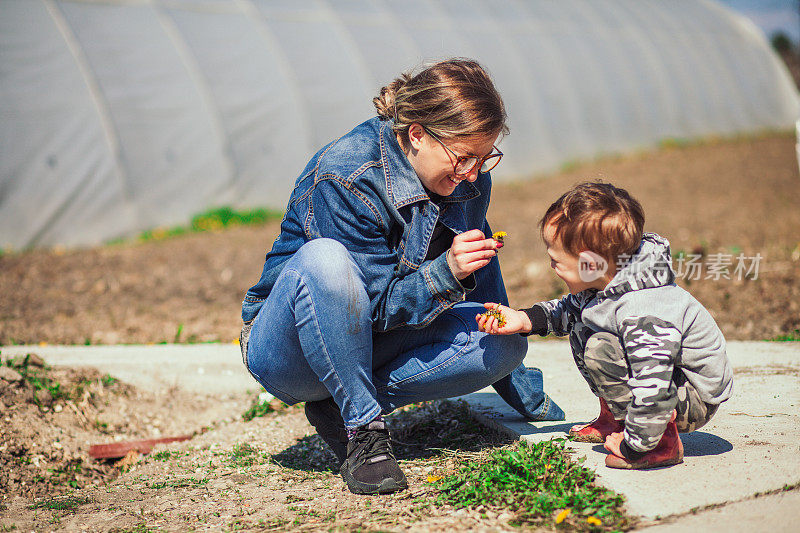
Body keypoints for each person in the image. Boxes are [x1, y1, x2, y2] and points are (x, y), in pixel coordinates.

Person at [239, 58, 564, 495]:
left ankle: (340, 407)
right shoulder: (347, 176)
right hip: (292, 351)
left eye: (485, 158)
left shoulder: (466, 179)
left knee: (504, 343)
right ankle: (363, 430)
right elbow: (365, 310)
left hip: (372, 343)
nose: (473, 172)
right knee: (326, 261)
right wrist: (445, 272)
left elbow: (479, 257)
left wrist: (509, 370)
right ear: (416, 134)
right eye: (464, 156)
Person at [477, 181, 733, 469]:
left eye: (556, 261)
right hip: (664, 383)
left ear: (589, 264)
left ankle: (661, 443)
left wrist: (634, 446)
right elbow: (569, 310)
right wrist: (524, 319)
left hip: (689, 395)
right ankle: (614, 417)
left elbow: (654, 382)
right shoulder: (610, 277)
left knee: (600, 348)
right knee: (583, 325)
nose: (551, 267)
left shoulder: (643, 310)